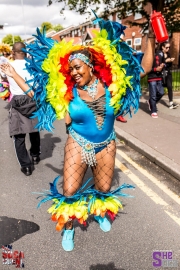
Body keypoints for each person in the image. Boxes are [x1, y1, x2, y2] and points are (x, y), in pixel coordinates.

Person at [0, 17, 155, 251]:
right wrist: (12, 73)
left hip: (106, 143)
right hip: (78, 143)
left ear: (90, 66)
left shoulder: (114, 84)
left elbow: (146, 67)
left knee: (103, 189)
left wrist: (152, 34)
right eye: (70, 69)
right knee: (70, 191)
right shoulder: (66, 93)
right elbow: (34, 93)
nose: (73, 72)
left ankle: (100, 211)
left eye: (77, 67)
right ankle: (69, 228)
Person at [4, 42, 41, 176]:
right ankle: (35, 155)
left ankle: (26, 166)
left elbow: (3, 83)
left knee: (18, 135)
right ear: (26, 52)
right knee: (34, 129)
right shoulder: (33, 64)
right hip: (33, 99)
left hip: (18, 102)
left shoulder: (8, 66)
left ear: (13, 53)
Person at [147, 42, 165, 118]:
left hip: (159, 77)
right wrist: (155, 69)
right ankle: (153, 111)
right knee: (153, 95)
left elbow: (164, 62)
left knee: (161, 93)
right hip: (152, 77)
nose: (156, 44)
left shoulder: (160, 53)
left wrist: (163, 65)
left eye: (157, 43)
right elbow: (145, 68)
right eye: (155, 43)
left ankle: (151, 102)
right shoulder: (147, 54)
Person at [160, 42, 179, 109]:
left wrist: (170, 61)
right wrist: (166, 61)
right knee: (160, 89)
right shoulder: (160, 54)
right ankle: (152, 101)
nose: (168, 49)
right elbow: (159, 63)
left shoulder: (168, 54)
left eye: (169, 47)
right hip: (161, 73)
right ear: (162, 47)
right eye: (166, 47)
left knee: (170, 87)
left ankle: (171, 103)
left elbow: (169, 65)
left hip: (168, 73)